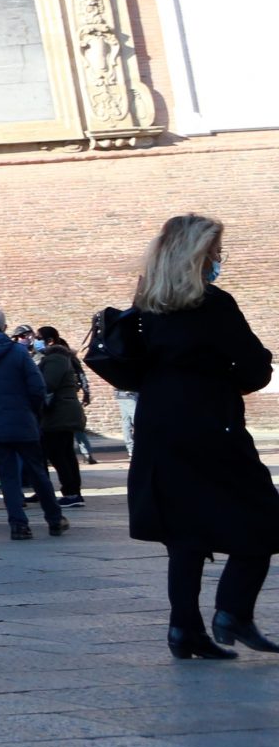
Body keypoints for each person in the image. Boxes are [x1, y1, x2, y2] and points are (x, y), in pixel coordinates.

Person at [91, 214, 279, 661]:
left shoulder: (145, 308)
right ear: (197, 256)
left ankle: (184, 630)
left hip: (158, 427)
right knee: (267, 521)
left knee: (184, 534)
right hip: (210, 424)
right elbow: (255, 369)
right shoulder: (212, 304)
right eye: (214, 253)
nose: (217, 260)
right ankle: (233, 611)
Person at [0, 307, 68, 543]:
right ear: (5, 328)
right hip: (22, 421)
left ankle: (19, 526)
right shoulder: (18, 352)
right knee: (38, 473)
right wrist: (30, 409)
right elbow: (37, 388)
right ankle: (54, 519)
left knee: (7, 477)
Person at [34, 325, 89, 508]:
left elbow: (48, 384)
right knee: (64, 453)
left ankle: (71, 492)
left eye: (38, 337)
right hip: (62, 413)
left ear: (49, 341)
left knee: (58, 453)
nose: (35, 340)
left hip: (59, 414)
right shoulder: (59, 358)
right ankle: (73, 492)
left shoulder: (55, 358)